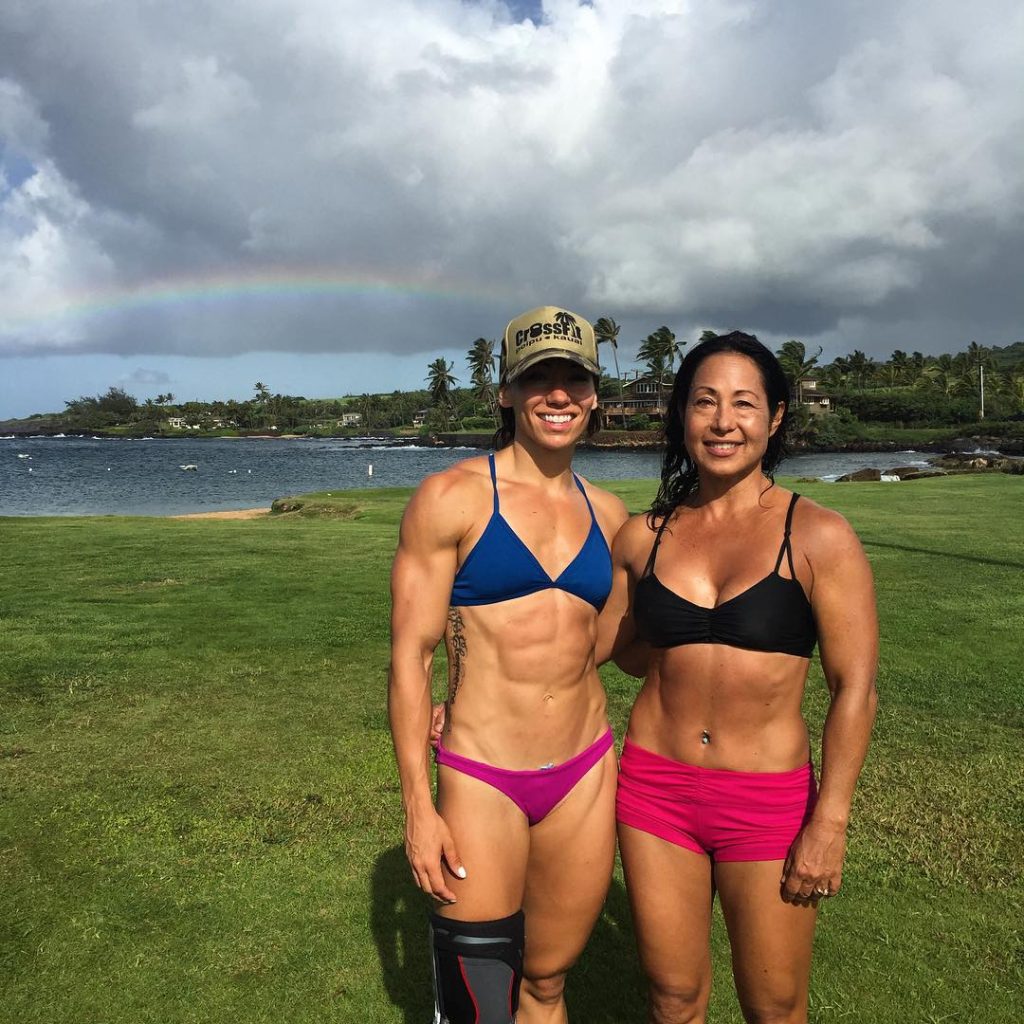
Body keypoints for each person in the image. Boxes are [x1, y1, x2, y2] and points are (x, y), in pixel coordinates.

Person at [603, 331, 878, 1024]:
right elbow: (596, 650)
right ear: (681, 415)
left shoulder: (818, 536)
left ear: (775, 418)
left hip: (767, 802)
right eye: (705, 402)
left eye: (744, 403)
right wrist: (465, 692)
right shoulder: (644, 536)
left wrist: (829, 823)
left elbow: (854, 689)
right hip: (655, 791)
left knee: (775, 1005)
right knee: (672, 999)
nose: (723, 422)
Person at [388, 306, 628, 1024]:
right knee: (480, 1002)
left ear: (594, 395)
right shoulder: (451, 497)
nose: (558, 396)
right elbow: (410, 657)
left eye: (574, 380)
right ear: (506, 392)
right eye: (537, 380)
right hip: (482, 776)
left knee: (547, 986)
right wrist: (418, 806)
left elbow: (604, 644)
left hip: (583, 772)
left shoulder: (610, 515)